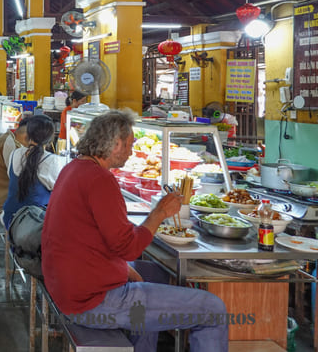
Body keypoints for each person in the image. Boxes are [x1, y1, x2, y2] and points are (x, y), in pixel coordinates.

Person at [42, 109, 227, 352]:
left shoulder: (73, 169)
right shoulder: (100, 180)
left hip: (68, 288)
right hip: (91, 301)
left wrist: (125, 268)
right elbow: (128, 248)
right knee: (213, 309)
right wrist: (159, 213)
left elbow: (92, 239)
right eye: (129, 145)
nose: (131, 151)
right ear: (116, 144)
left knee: (157, 276)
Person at [1, 114, 57, 230]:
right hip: (35, 225)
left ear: (28, 134)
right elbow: (59, 188)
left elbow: (10, 177)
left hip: (10, 218)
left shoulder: (15, 154)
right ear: (51, 138)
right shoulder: (52, 161)